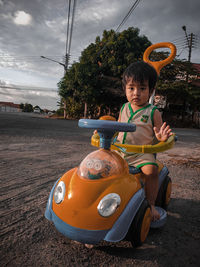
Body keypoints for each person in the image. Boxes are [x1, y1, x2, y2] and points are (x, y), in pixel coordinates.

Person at [117, 61, 172, 221]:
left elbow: (159, 134)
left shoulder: (153, 112)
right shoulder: (123, 108)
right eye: (131, 88)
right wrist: (102, 131)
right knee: (104, 166)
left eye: (142, 88)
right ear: (125, 89)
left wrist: (161, 138)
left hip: (142, 154)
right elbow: (117, 127)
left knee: (151, 171)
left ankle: (151, 203)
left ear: (151, 91)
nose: (136, 93)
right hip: (121, 150)